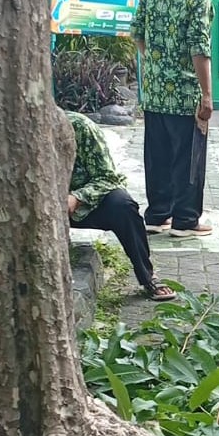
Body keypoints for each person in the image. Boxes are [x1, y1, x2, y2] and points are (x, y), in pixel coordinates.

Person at [132, 0, 213, 238]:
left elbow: (137, 32)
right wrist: (207, 95)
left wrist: (156, 62)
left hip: (153, 91)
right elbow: (199, 48)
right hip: (185, 93)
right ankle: (185, 219)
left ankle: (156, 215)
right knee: (188, 158)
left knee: (157, 156)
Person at [65, 110, 176, 302]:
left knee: (123, 206)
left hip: (83, 203)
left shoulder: (79, 127)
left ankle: (147, 277)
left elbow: (108, 177)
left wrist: (77, 197)